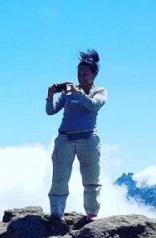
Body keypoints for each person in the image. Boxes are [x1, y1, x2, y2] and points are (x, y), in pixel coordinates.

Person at [46, 49, 107, 221]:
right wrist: (50, 95)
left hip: (88, 139)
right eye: (79, 73)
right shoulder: (68, 93)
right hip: (65, 139)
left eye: (85, 73)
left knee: (91, 178)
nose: (81, 76)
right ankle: (56, 213)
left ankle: (92, 213)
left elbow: (93, 105)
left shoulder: (100, 91)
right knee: (59, 178)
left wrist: (78, 92)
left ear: (94, 74)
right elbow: (50, 111)